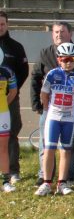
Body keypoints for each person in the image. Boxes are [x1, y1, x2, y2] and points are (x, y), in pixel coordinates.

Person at [31, 21, 74, 185]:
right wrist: (38, 104)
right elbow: (36, 79)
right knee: (46, 144)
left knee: (71, 145)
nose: (59, 35)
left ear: (71, 34)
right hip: (50, 110)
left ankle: (68, 177)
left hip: (72, 111)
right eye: (56, 32)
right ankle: (44, 176)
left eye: (62, 32)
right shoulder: (45, 53)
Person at [0, 11, 29, 184]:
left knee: (11, 133)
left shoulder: (16, 47)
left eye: (2, 24)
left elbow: (23, 72)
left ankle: (13, 171)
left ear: (7, 25)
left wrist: (12, 91)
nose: (0, 27)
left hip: (10, 98)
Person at [0, 48, 17, 192]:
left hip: (2, 113)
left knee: (3, 148)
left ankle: (5, 181)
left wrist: (3, 103)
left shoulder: (7, 71)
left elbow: (13, 91)